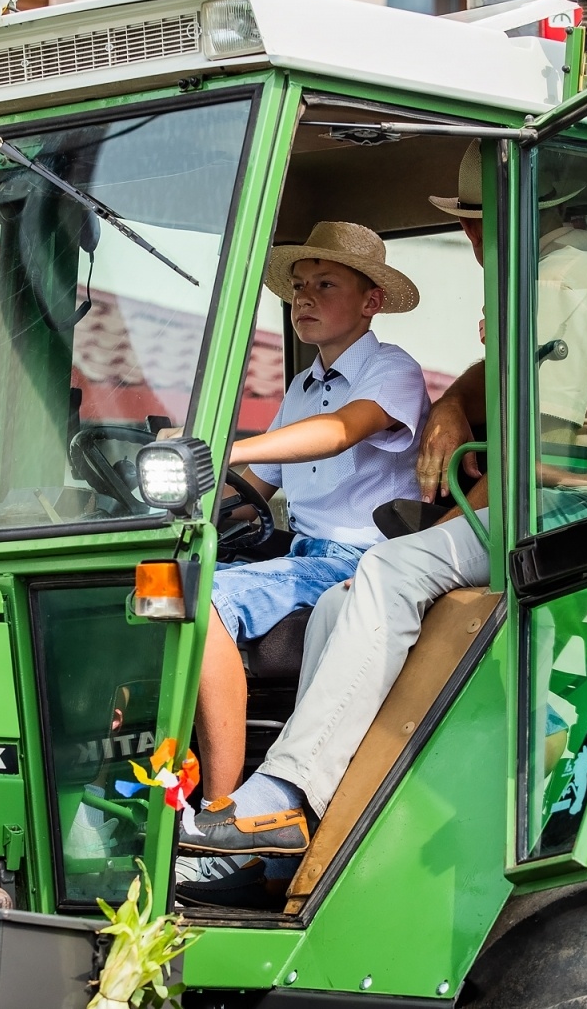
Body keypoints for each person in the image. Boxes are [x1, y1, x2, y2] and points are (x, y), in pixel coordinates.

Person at [178, 144, 587, 884]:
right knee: (340, 607)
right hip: (564, 499)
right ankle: (295, 834)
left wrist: (436, 529)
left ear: (514, 212)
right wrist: (455, 404)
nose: (469, 235)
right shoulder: (559, 278)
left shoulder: (556, 281)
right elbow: (502, 387)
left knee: (387, 568)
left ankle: (279, 795)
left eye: (474, 217)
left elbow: (532, 450)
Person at [191, 220, 430, 841]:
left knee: (202, 600)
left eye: (325, 284)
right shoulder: (301, 387)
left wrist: (223, 447)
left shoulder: (392, 370)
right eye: (299, 286)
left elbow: (340, 431)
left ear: (371, 301)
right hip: (302, 555)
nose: (304, 298)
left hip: (362, 562)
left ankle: (222, 818)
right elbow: (254, 492)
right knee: (157, 585)